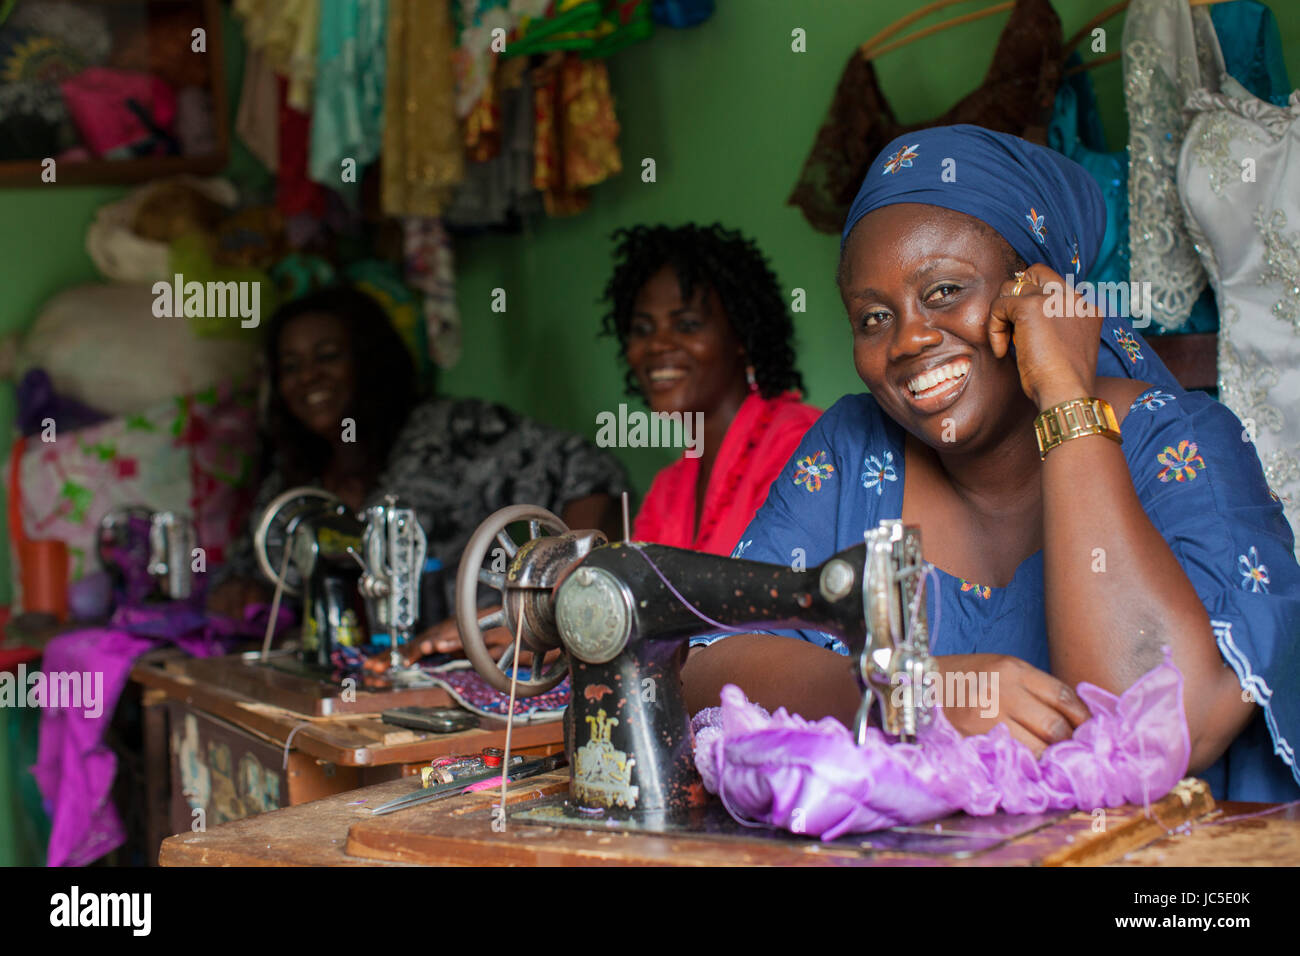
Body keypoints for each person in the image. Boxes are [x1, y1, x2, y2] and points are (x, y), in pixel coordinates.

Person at [681, 126, 1300, 803]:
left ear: (1037, 295)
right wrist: (914, 694)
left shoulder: (1178, 442)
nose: (909, 338)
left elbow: (1153, 729)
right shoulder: (853, 450)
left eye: (945, 290)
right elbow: (708, 668)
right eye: (873, 317)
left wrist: (1064, 391)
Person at [209, 286, 629, 637]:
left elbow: (590, 471)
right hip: (363, 683)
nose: (308, 377)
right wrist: (241, 593)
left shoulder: (451, 433)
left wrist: (558, 598)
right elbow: (245, 574)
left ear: (368, 359)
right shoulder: (292, 480)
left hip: (473, 665)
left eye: (328, 356)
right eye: (291, 366)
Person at [602, 223, 821, 555]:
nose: (657, 344)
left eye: (687, 325)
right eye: (642, 329)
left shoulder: (802, 444)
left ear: (741, 336)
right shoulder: (668, 490)